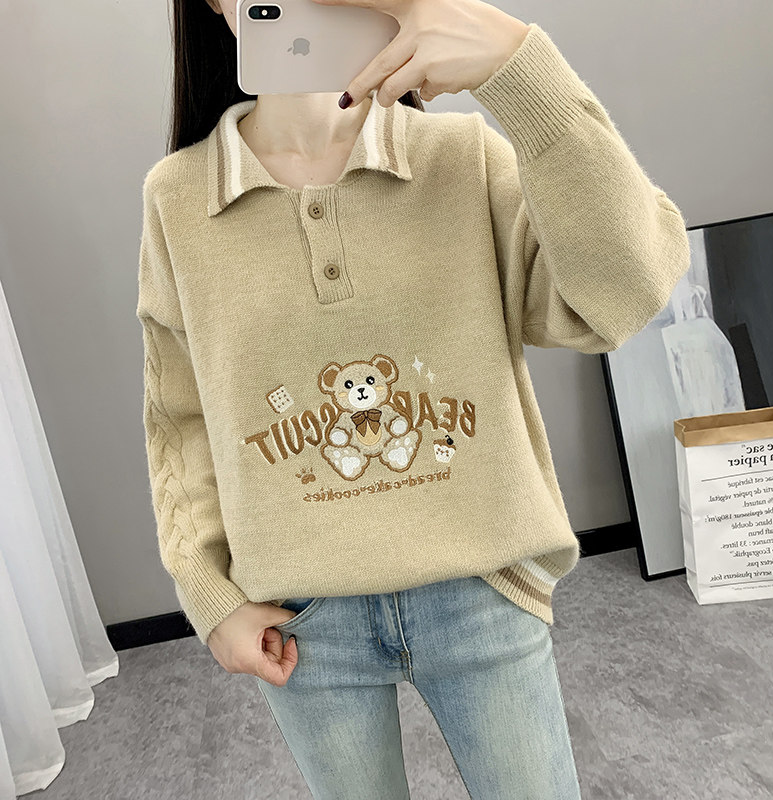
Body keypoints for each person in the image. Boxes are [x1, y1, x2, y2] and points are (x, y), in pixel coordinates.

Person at [137, 0, 691, 797]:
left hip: (482, 590)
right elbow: (178, 417)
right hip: (301, 621)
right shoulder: (178, 199)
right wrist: (209, 592)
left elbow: (624, 293)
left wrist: (519, 66)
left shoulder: (461, 157)